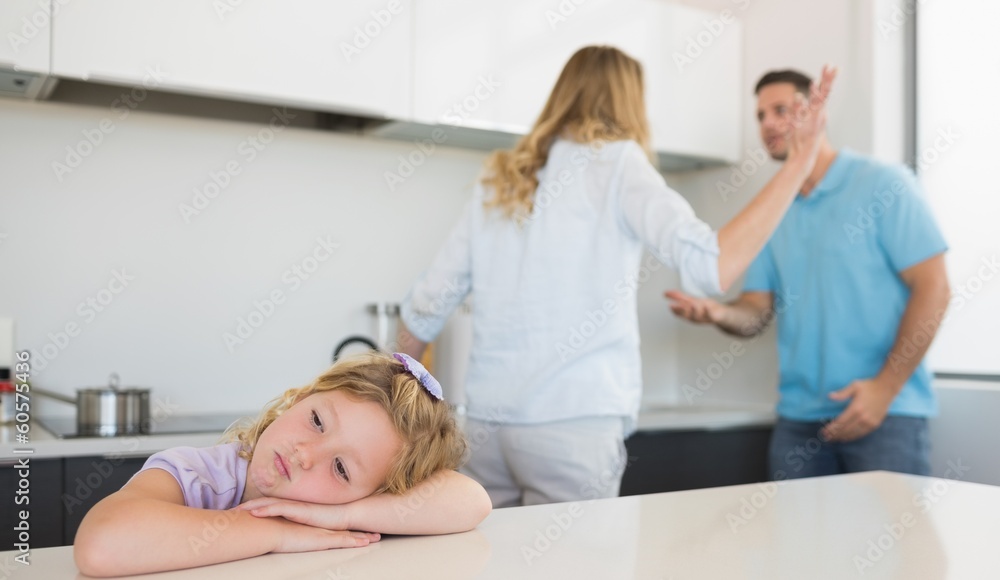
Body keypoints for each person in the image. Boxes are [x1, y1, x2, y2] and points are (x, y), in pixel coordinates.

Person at [395, 46, 836, 507]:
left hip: (486, 429)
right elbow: (711, 265)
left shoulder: (501, 176)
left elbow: (426, 305)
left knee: (490, 551)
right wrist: (799, 162)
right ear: (630, 100)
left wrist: (397, 415)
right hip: (575, 425)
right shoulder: (619, 163)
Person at [666, 69, 951, 480]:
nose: (767, 124)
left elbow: (935, 288)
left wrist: (885, 389)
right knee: (790, 526)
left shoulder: (884, 185)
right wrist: (718, 313)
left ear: (814, 114)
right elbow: (756, 310)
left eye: (780, 110)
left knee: (891, 527)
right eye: (760, 115)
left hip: (884, 414)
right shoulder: (773, 209)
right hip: (798, 422)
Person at [74, 352, 492, 577]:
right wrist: (277, 532)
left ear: (375, 494)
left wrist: (342, 515)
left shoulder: (339, 512)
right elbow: (102, 546)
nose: (305, 454)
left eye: (341, 469)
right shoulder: (198, 476)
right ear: (299, 398)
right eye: (317, 421)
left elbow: (472, 501)